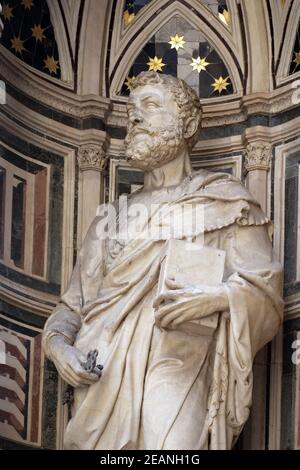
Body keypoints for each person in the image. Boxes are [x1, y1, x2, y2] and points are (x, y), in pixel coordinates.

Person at [42, 71, 283, 450]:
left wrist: (219, 298)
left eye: (150, 106)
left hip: (181, 367)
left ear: (187, 124)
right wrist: (59, 347)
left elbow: (266, 291)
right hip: (102, 376)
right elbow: (71, 308)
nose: (134, 118)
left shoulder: (225, 201)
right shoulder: (112, 218)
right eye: (131, 110)